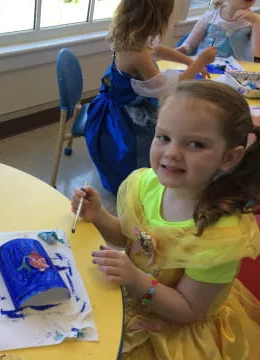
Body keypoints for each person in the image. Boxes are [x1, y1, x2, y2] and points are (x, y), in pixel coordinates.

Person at [72, 80, 260, 359]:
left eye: (195, 144)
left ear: (229, 157)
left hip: (177, 334)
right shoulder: (146, 185)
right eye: (163, 137)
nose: (171, 153)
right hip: (133, 297)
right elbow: (128, 238)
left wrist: (136, 279)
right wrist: (99, 215)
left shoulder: (220, 236)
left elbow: (188, 309)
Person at [85, 0, 217, 194]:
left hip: (117, 105)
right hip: (124, 118)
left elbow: (156, 50)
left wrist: (188, 60)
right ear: (156, 19)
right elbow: (167, 87)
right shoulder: (136, 53)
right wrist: (200, 62)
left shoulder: (129, 36)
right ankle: (137, 190)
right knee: (142, 153)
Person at [177, 0, 260, 61]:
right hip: (204, 68)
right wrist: (184, 48)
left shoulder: (254, 21)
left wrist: (256, 22)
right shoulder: (210, 16)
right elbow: (190, 44)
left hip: (235, 75)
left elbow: (256, 59)